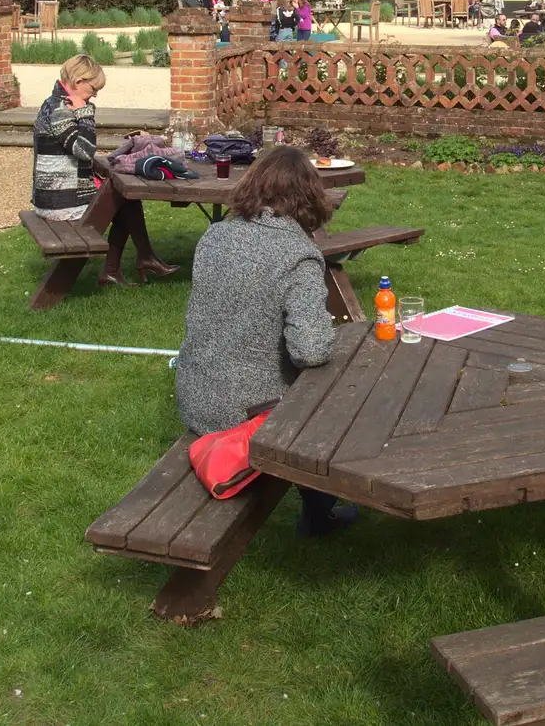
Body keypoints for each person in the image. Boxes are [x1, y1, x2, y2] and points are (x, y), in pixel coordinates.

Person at [175, 145, 358, 537]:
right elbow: (310, 350)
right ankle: (319, 517)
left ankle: (318, 510)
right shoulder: (298, 254)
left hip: (195, 395)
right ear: (309, 196)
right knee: (335, 392)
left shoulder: (214, 234)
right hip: (244, 414)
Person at [30, 54, 179, 286]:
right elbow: (86, 151)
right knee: (126, 200)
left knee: (125, 200)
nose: (95, 94)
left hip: (54, 194)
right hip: (59, 202)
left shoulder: (54, 102)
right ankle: (137, 260)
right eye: (94, 88)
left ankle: (125, 266)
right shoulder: (62, 108)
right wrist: (86, 115)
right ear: (78, 82)